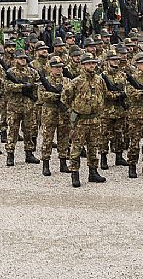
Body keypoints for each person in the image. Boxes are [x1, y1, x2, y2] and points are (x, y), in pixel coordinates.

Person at [62, 53, 110, 187]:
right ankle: (75, 174)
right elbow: (65, 98)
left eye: (93, 63)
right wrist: (75, 110)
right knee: (76, 148)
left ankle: (93, 172)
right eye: (88, 63)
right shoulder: (76, 81)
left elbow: (104, 95)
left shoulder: (99, 80)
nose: (92, 65)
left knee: (93, 147)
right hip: (80, 121)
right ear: (82, 65)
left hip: (94, 120)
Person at [3, 49, 40, 167]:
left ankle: (29, 153)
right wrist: (22, 87)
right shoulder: (10, 72)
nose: (23, 60)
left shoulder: (32, 72)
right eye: (20, 58)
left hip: (28, 107)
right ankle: (10, 154)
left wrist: (32, 87)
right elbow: (7, 86)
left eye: (24, 58)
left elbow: (39, 84)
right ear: (15, 59)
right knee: (13, 131)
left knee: (28, 131)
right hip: (14, 106)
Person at [38, 56, 71, 176]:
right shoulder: (45, 81)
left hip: (63, 113)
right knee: (47, 139)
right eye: (56, 67)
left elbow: (70, 94)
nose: (58, 69)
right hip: (49, 113)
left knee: (64, 139)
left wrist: (61, 95)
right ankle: (46, 164)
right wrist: (56, 96)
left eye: (60, 67)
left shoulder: (67, 81)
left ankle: (63, 163)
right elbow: (42, 96)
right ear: (50, 68)